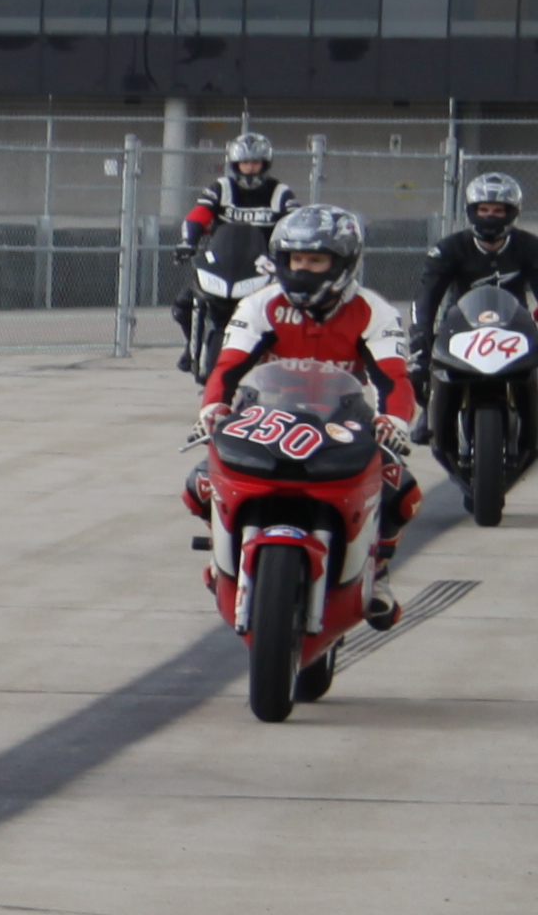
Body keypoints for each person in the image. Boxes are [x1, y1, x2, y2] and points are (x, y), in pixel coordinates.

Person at [199, 203, 422, 627]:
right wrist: (213, 409)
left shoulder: (374, 311)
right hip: (264, 417)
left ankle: (377, 573)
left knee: (402, 491)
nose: (303, 269)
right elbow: (227, 368)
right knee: (198, 484)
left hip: (343, 421)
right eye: (295, 259)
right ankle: (219, 556)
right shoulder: (258, 304)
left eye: (316, 260)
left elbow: (393, 378)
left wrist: (393, 421)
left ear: (344, 263)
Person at [409, 171, 533, 453]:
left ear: (512, 213)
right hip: (460, 326)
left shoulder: (530, 247)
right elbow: (426, 298)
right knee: (418, 369)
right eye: (483, 209)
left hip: (516, 328)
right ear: (471, 211)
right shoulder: (448, 248)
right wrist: (420, 340)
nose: (490, 216)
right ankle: (430, 413)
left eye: (498, 210)